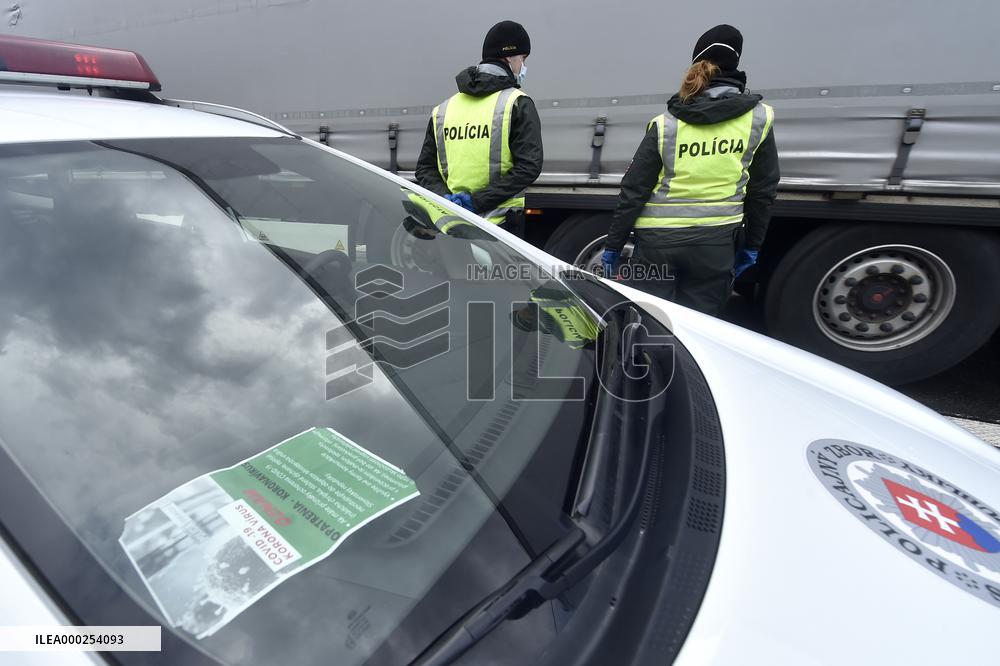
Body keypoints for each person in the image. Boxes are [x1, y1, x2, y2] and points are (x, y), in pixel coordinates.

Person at [602, 24, 779, 315]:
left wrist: (614, 244)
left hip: (657, 244)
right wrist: (753, 245)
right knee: (697, 328)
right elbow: (763, 190)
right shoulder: (758, 119)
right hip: (715, 244)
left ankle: (643, 361)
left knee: (649, 323)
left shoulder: (667, 123)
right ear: (736, 64)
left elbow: (634, 189)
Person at [415, 20, 542, 239]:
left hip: (452, 226)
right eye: (523, 59)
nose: (523, 66)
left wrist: (446, 198)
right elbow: (529, 167)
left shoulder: (443, 110)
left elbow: (425, 169)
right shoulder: (517, 103)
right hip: (501, 229)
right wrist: (475, 202)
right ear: (509, 58)